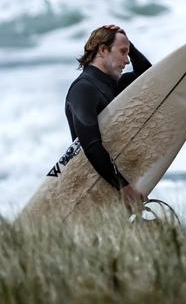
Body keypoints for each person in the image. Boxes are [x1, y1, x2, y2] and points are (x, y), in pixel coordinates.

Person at [65, 24, 151, 211]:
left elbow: (149, 76)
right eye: (123, 52)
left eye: (128, 53)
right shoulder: (83, 89)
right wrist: (123, 186)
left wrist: (129, 45)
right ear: (103, 50)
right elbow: (91, 145)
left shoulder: (113, 86)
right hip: (94, 187)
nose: (127, 60)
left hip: (113, 181)